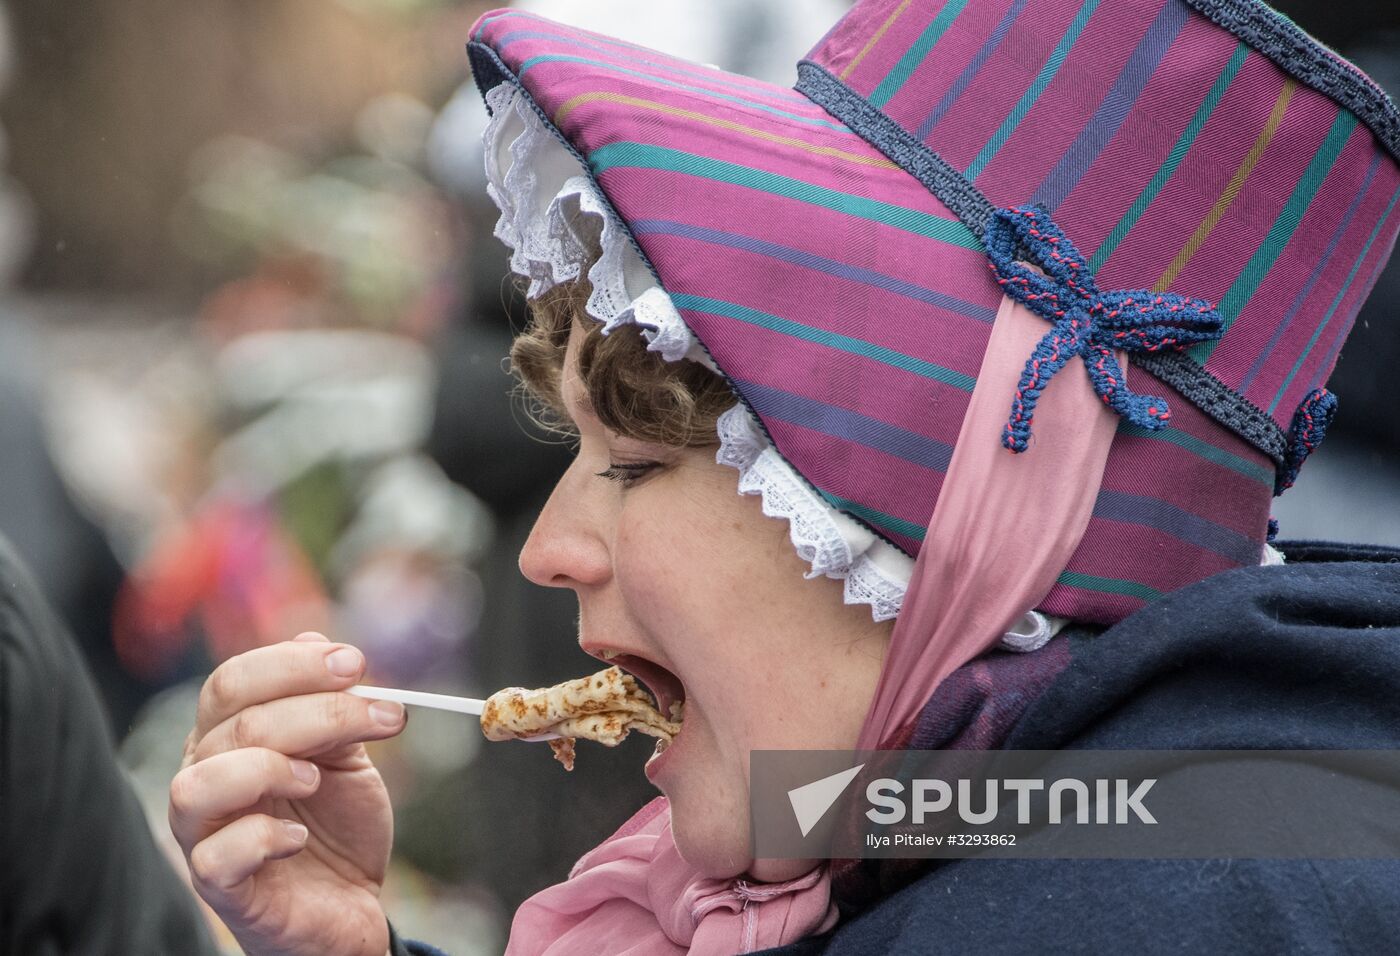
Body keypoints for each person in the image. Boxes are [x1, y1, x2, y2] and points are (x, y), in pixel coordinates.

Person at [168, 0, 1400, 953]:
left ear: (949, 534)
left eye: (637, 465)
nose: (549, 547)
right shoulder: (1033, 812)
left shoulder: (1125, 909)